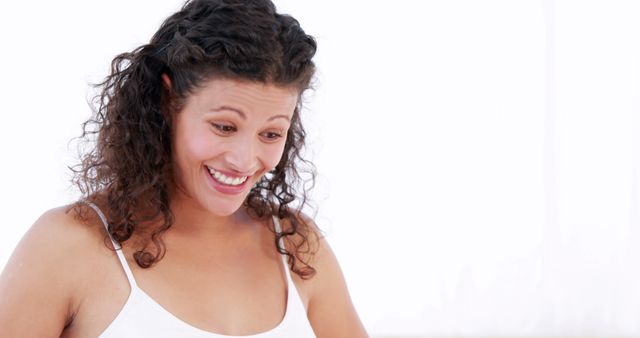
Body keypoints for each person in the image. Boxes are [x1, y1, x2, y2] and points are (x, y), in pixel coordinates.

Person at [0, 0, 368, 337]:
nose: (243, 159)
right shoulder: (69, 246)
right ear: (167, 101)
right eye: (224, 127)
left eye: (271, 133)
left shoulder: (298, 247)